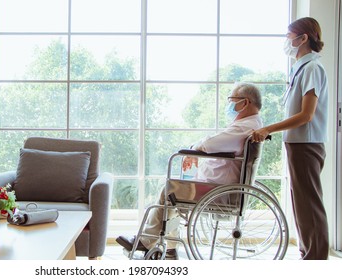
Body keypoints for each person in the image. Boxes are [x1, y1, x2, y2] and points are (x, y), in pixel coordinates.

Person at [116, 83, 263, 259]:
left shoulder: (243, 127)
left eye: (232, 100)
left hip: (217, 191)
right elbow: (215, 144)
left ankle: (147, 241)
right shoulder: (250, 124)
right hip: (218, 186)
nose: (229, 105)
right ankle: (169, 248)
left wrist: (194, 148)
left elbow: (210, 144)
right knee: (172, 195)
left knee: (169, 189)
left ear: (245, 103)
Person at [251, 17, 329, 260]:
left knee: (309, 204)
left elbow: (306, 115)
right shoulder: (301, 68)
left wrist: (268, 129)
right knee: (302, 203)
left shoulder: (313, 69)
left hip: (307, 143)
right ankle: (309, 253)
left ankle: (316, 259)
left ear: (303, 38)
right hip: (298, 143)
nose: (286, 41)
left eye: (288, 36)